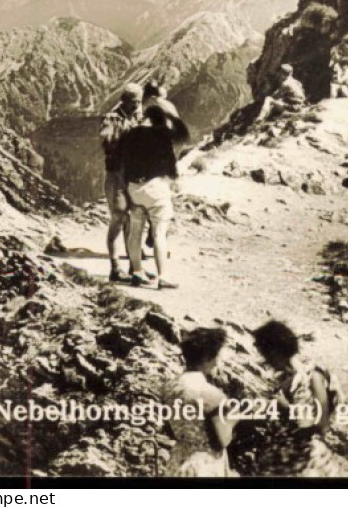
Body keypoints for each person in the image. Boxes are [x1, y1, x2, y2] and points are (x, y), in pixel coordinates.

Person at [251, 320, 343, 477]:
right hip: (284, 457)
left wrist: (284, 407)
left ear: (275, 352)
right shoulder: (288, 378)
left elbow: (321, 424)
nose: (267, 362)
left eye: (266, 355)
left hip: (306, 461)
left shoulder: (312, 376)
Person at [122, 103, 184, 290]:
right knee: (159, 232)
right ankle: (162, 276)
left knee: (135, 230)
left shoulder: (131, 133)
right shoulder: (163, 134)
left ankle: (137, 272)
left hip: (133, 187)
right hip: (155, 188)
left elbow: (124, 160)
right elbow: (171, 164)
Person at [167, 327, 236, 476]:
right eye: (217, 357)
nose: (218, 362)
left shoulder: (170, 387)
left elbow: (169, 429)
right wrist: (234, 418)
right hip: (205, 466)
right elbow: (222, 440)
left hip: (178, 461)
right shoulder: (212, 394)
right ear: (206, 358)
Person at [99, 84, 146, 282]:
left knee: (134, 219)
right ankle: (115, 266)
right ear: (125, 101)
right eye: (134, 102)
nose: (137, 105)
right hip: (116, 175)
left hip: (133, 175)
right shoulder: (112, 118)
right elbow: (105, 141)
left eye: (139, 101)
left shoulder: (138, 115)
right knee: (118, 217)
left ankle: (135, 267)